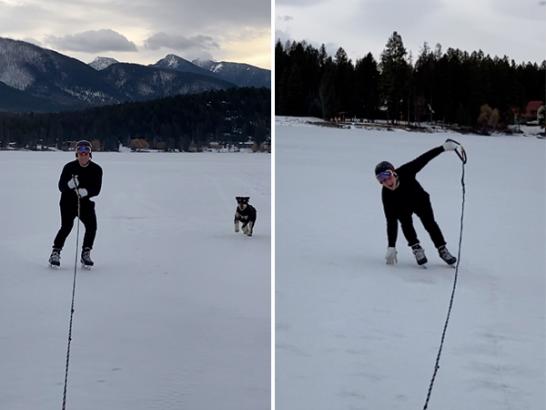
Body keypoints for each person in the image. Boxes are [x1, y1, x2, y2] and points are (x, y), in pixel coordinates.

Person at [375, 140, 459, 266]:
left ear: (394, 172)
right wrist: (391, 246)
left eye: (387, 175)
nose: (386, 181)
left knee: (430, 224)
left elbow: (424, 158)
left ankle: (442, 249)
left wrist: (442, 148)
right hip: (402, 206)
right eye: (381, 179)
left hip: (419, 200)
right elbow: (391, 221)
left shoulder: (406, 171)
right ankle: (416, 248)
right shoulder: (386, 195)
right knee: (406, 223)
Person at [49, 140, 103, 267]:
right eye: (80, 153)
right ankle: (55, 252)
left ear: (90, 154)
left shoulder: (96, 169)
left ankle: (86, 253)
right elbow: (61, 186)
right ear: (76, 154)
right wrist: (69, 185)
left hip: (85, 203)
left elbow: (97, 189)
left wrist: (86, 192)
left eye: (86, 153)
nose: (83, 155)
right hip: (67, 202)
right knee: (66, 227)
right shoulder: (69, 167)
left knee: (91, 226)